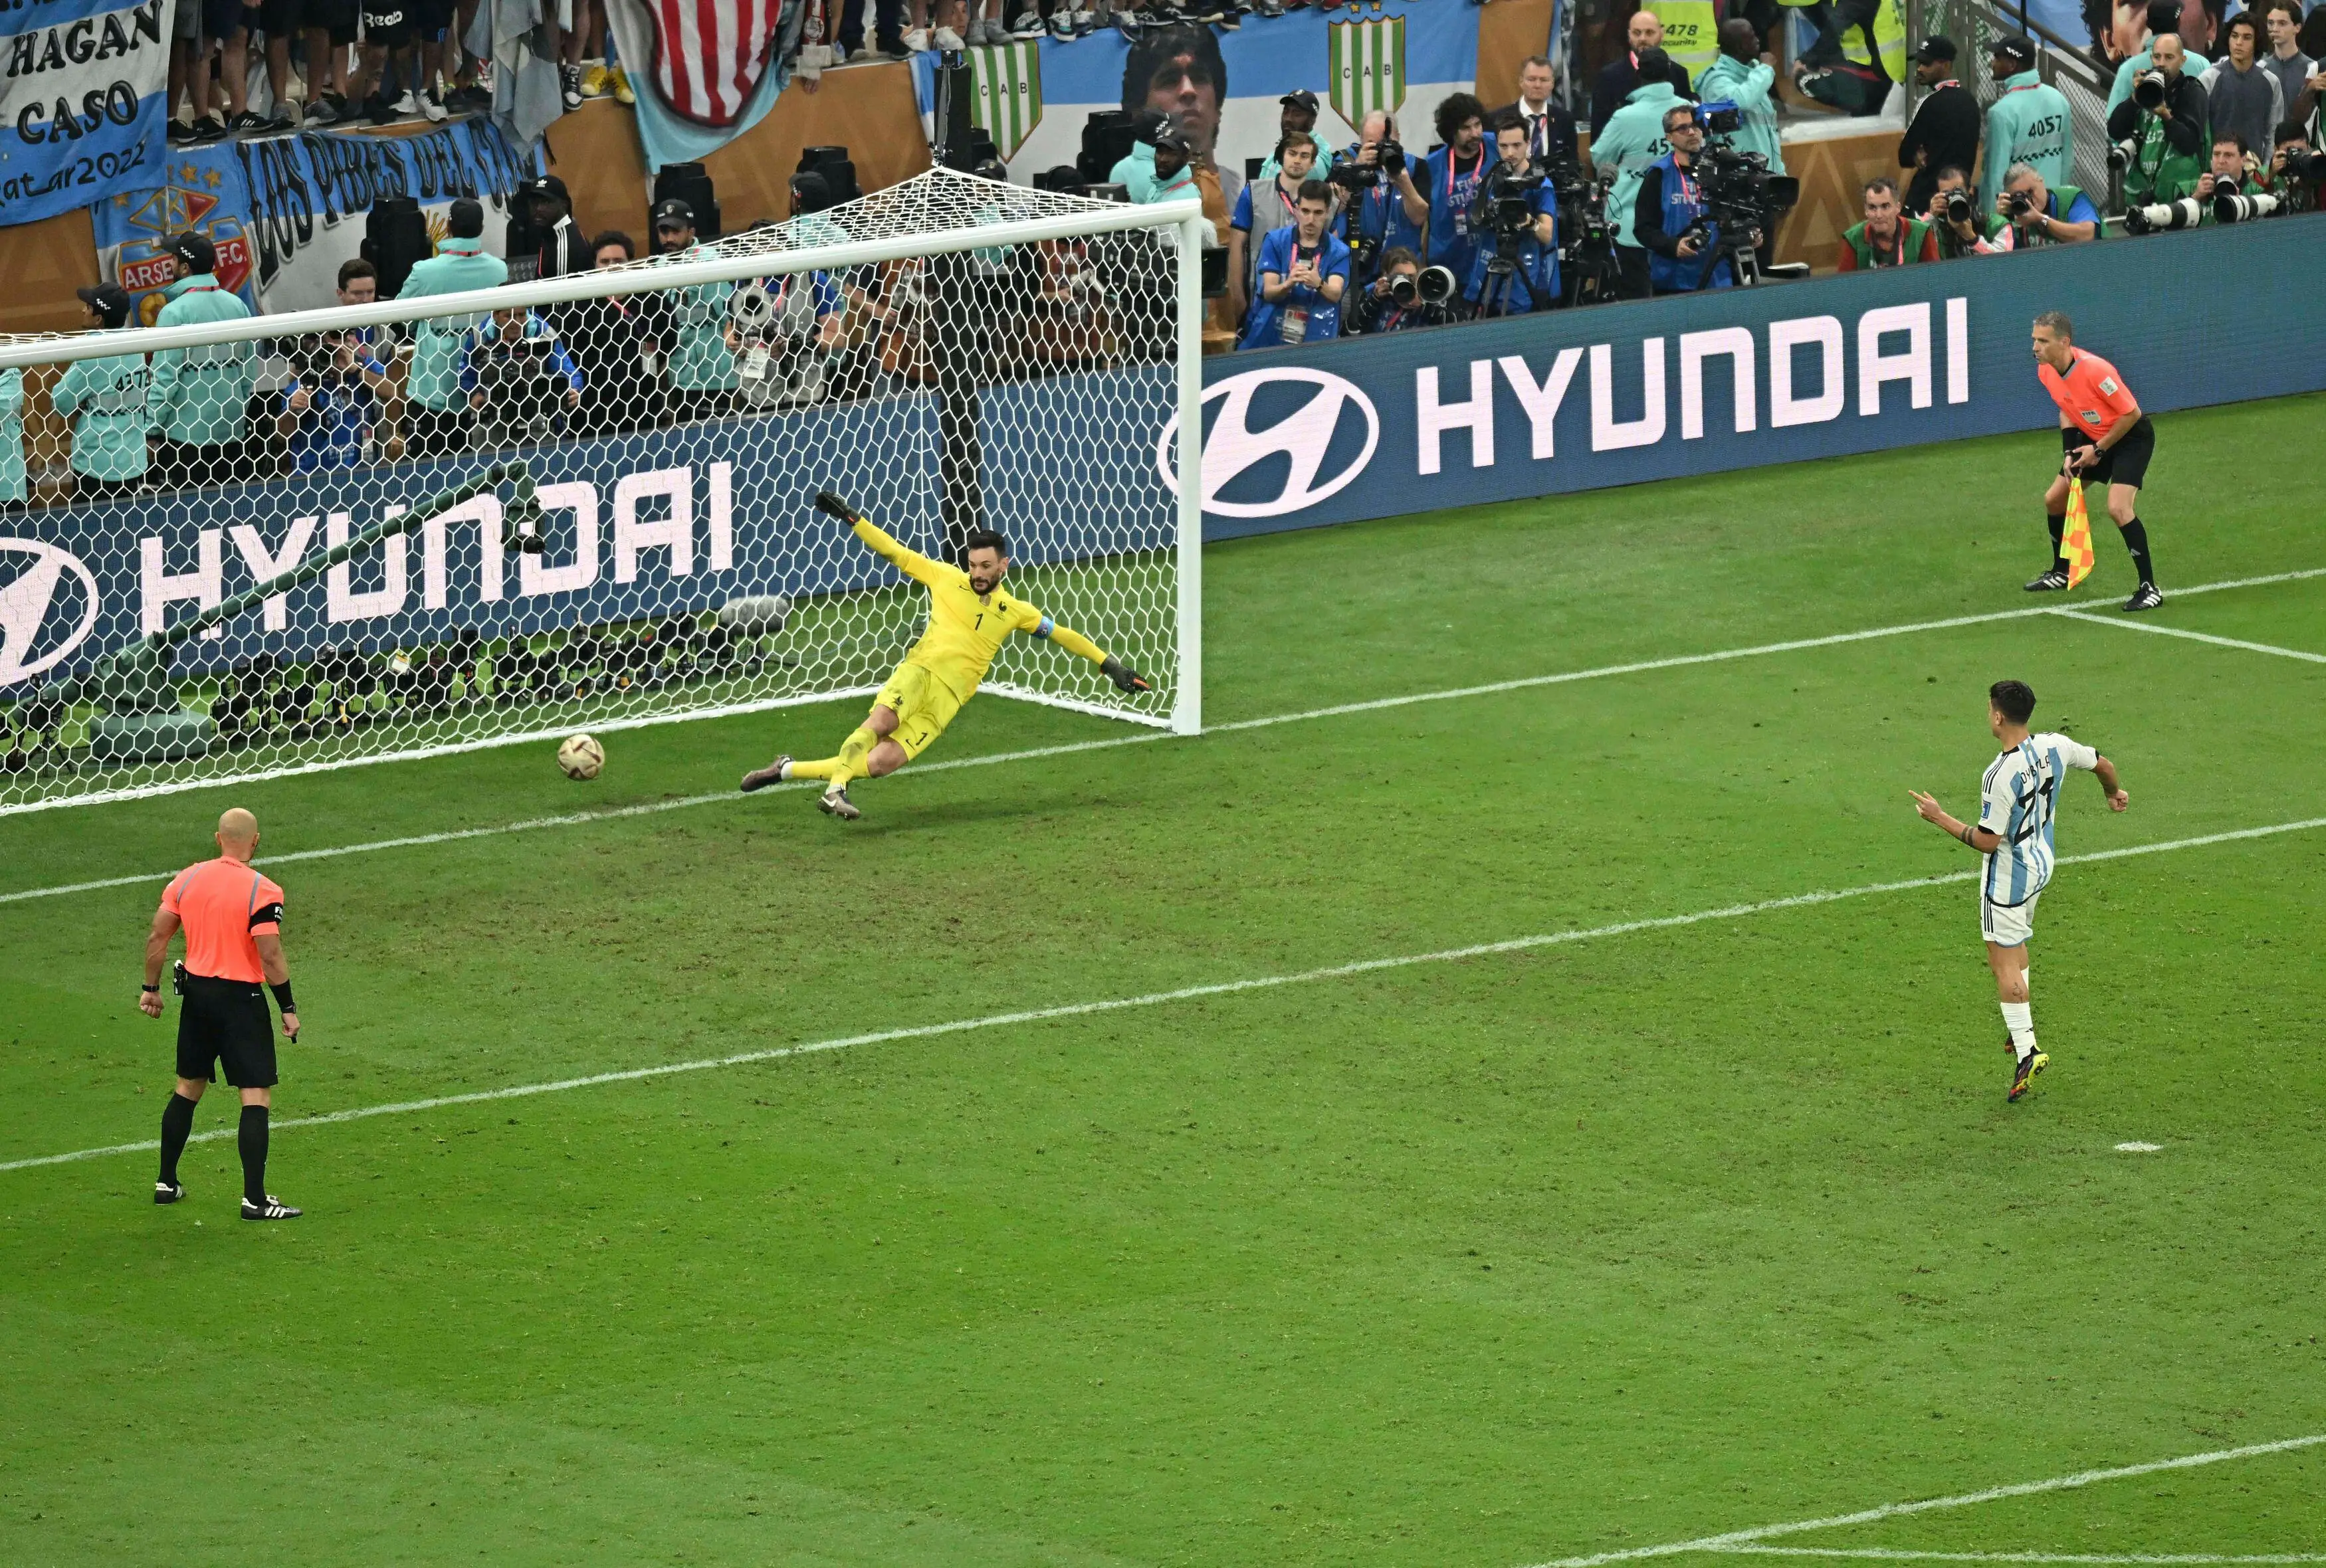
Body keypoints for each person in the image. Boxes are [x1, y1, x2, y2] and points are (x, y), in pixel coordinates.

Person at [740, 492, 1149, 821]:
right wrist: (852, 519)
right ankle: (835, 791)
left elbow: (1064, 635)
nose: (977, 573)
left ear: (1003, 565)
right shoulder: (946, 579)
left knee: (881, 762)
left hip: (948, 702)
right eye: (973, 565)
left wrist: (1109, 665)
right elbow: (896, 554)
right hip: (920, 671)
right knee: (880, 722)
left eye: (986, 566)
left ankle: (786, 769)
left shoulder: (1016, 613)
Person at [1909, 680, 2129, 1102]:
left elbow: (1989, 840)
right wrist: (2113, 793)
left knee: (2002, 960)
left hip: (2008, 878)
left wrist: (1939, 818)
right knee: (2018, 945)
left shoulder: (1999, 774)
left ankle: (2028, 1050)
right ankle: (2019, 1031)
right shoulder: (2055, 745)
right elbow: (2103, 764)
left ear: (1997, 715)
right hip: (2042, 864)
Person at [143, 808, 304, 1220]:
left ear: (218, 838)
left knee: (187, 1087)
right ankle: (254, 1199)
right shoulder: (262, 890)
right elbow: (269, 954)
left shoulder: (188, 878)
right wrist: (287, 1007)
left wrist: (151, 989)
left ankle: (166, 1181)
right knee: (255, 1096)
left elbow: (159, 934)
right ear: (255, 841)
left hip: (196, 997)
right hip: (240, 1002)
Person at [2025, 311, 2162, 611]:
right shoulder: (2046, 370)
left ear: (2065, 342)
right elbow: (2067, 408)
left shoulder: (2097, 370)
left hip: (2129, 439)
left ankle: (2150, 588)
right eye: (2034, 339)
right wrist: (2069, 453)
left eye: (2043, 341)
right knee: (2054, 499)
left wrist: (2098, 451)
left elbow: (2131, 415)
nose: (2035, 347)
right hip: (2093, 438)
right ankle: (2062, 571)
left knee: (2118, 508)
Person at [398, 197, 509, 458]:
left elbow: (400, 315)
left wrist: (423, 325)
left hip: (432, 393)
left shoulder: (425, 271)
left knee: (425, 474)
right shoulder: (499, 270)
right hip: (484, 389)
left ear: (448, 226)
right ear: (481, 228)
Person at [148, 232, 257, 492]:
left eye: (172, 258)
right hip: (232, 432)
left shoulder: (173, 312)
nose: (169, 264)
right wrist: (237, 411)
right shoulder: (238, 306)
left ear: (185, 267)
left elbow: (165, 379)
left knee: (189, 523)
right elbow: (248, 373)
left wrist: (151, 428)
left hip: (186, 442)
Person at [1594, 49, 1689, 299]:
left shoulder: (1625, 118)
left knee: (1634, 307)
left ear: (1639, 75)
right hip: (1680, 223)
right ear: (1669, 71)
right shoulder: (1689, 113)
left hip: (1630, 225)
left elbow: (1600, 158)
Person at [51, 284, 152, 504]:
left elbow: (60, 402)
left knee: (92, 532)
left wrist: (84, 403)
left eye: (88, 307)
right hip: (133, 462)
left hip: (96, 466)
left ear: (99, 319)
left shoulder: (92, 353)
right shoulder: (136, 347)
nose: (83, 311)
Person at [1634, 104, 1741, 294]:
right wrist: (1673, 245)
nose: (1691, 132)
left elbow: (1737, 214)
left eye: (1695, 126)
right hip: (1673, 280)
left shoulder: (1721, 171)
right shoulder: (1659, 175)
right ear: (1669, 137)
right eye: (1683, 128)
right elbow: (1644, 229)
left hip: (1718, 278)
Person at [651, 198, 740, 425]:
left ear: (691, 231)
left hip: (717, 378)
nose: (669, 239)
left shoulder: (711, 264)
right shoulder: (658, 268)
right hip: (679, 379)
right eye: (663, 232)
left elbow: (728, 318)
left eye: (675, 232)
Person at [1465, 115, 1559, 316]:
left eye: (1517, 145)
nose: (1510, 153)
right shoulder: (1492, 178)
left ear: (1528, 144)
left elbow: (1546, 235)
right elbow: (1477, 220)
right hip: (1490, 267)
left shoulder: (1542, 186)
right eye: (1504, 146)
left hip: (1524, 274)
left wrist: (1528, 221)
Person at [1239, 181, 1350, 348]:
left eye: (1318, 212)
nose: (1311, 219)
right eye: (1305, 211)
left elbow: (1335, 293)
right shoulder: (1276, 241)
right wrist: (1288, 284)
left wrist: (1319, 283)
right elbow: (1269, 292)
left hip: (1316, 338)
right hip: (1271, 336)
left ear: (1327, 212)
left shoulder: (1339, 251)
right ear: (1297, 210)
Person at [1229, 130, 1322, 327]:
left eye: (1304, 156)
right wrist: (1237, 292)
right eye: (1292, 153)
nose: (1297, 160)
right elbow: (1236, 244)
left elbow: (1331, 249)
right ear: (1281, 157)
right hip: (1261, 298)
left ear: (1313, 163)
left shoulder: (1322, 200)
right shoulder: (1254, 192)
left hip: (1307, 300)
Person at [1403, 93, 1494, 288]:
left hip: (1488, 260)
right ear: (1452, 131)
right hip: (1448, 264)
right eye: (1466, 128)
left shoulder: (1496, 147)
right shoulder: (1431, 165)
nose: (1475, 133)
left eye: (1477, 125)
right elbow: (1421, 219)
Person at [2107, 33, 2208, 205]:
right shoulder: (2144, 90)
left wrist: (2166, 115)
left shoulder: (2191, 91)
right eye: (2157, 57)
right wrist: (2135, 99)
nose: (2161, 64)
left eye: (2169, 57)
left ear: (2182, 61)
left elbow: (2189, 144)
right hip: (2143, 195)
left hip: (2180, 195)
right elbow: (2114, 131)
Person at [275, 330, 399, 469]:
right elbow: (281, 436)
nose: (329, 343)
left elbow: (392, 393)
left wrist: (354, 369)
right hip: (314, 477)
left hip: (361, 471)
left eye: (335, 335)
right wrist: (292, 410)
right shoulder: (305, 381)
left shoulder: (362, 366)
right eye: (320, 339)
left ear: (347, 339)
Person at [1332, 110, 1424, 295]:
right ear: (1361, 140)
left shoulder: (1415, 166)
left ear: (1397, 137)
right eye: (1373, 144)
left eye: (1386, 143)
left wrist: (1403, 179)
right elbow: (1335, 209)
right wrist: (1358, 168)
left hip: (1403, 270)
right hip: (1358, 267)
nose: (1381, 150)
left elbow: (1420, 218)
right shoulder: (1345, 161)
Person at [1980, 34, 2073, 211]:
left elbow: (1995, 175)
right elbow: (2067, 161)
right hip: (2054, 207)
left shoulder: (2002, 111)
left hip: (2020, 212)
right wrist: (2060, 205)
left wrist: (1991, 218)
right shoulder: (2058, 99)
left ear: (2012, 65)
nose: (1992, 63)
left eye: (1997, 57)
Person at [1896, 35, 1979, 213]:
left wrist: (1917, 154)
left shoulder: (1928, 102)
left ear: (1946, 65)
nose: (1919, 69)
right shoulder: (1971, 101)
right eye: (1919, 63)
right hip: (1960, 196)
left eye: (1926, 64)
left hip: (1926, 198)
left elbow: (1904, 156)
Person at [1697, 21, 1784, 183]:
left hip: (1767, 178)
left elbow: (1771, 134)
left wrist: (1780, 173)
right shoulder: (1716, 81)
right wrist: (1765, 69)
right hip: (1738, 181)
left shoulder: (1753, 76)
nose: (1758, 40)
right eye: (1752, 37)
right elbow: (1740, 101)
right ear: (1740, 47)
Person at [2105, 0, 2219, 115]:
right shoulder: (2201, 64)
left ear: (2149, 24)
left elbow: (2112, 119)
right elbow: (2216, 113)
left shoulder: (2128, 69)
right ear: (2178, 22)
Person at [1593, 7, 1693, 138]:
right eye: (1637, 33)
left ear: (1662, 34)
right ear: (1629, 35)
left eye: (1650, 33)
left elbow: (1689, 125)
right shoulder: (1609, 77)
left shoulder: (1679, 74)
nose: (1643, 39)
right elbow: (1599, 134)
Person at [2206, 15, 2284, 171]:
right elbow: (2201, 133)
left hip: (2255, 172)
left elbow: (2273, 133)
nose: (2239, 43)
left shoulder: (2271, 82)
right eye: (2234, 36)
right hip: (2215, 169)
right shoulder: (2209, 78)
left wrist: (2265, 171)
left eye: (2247, 37)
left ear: (2257, 43)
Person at [1495, 54, 1578, 169]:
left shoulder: (1565, 120)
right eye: (1532, 79)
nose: (1538, 85)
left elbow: (1572, 164)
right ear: (1521, 82)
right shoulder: (1498, 118)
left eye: (1544, 80)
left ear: (1552, 84)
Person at [1836, 176, 1938, 269]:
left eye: (1885, 207)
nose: (1879, 215)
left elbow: (1934, 279)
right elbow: (1844, 287)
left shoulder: (1921, 233)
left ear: (1898, 207)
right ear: (1866, 210)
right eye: (1872, 208)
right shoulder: (1853, 239)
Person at [1995, 162, 2101, 246]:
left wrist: (2041, 220)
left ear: (2041, 181)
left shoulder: (2070, 197)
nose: (2028, 200)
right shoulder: (2016, 215)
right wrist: (2001, 222)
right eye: (2020, 197)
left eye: (2030, 192)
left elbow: (2088, 235)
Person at [1925, 164, 2009, 257]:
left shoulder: (1996, 225)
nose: (1954, 197)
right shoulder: (1935, 227)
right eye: (1947, 194)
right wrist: (1931, 218)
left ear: (1971, 191)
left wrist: (1973, 239)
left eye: (1958, 191)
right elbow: (1923, 257)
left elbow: (2004, 262)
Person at [1255, 90, 1329, 185]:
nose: (1288, 119)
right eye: (1286, 112)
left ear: (1312, 120)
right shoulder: (1284, 146)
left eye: (1297, 114)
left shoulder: (1311, 163)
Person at [1347, 248, 1427, 335]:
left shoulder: (1423, 296)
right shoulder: (1373, 292)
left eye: (1411, 277)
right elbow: (1348, 332)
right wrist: (1373, 301)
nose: (1407, 282)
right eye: (1401, 276)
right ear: (1386, 275)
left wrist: (1423, 304)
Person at [2257, 1, 2311, 119]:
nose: (2275, 29)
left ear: (2297, 28)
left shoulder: (2311, 68)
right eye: (2271, 23)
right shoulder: (2260, 69)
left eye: (2282, 23)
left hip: (2302, 136)